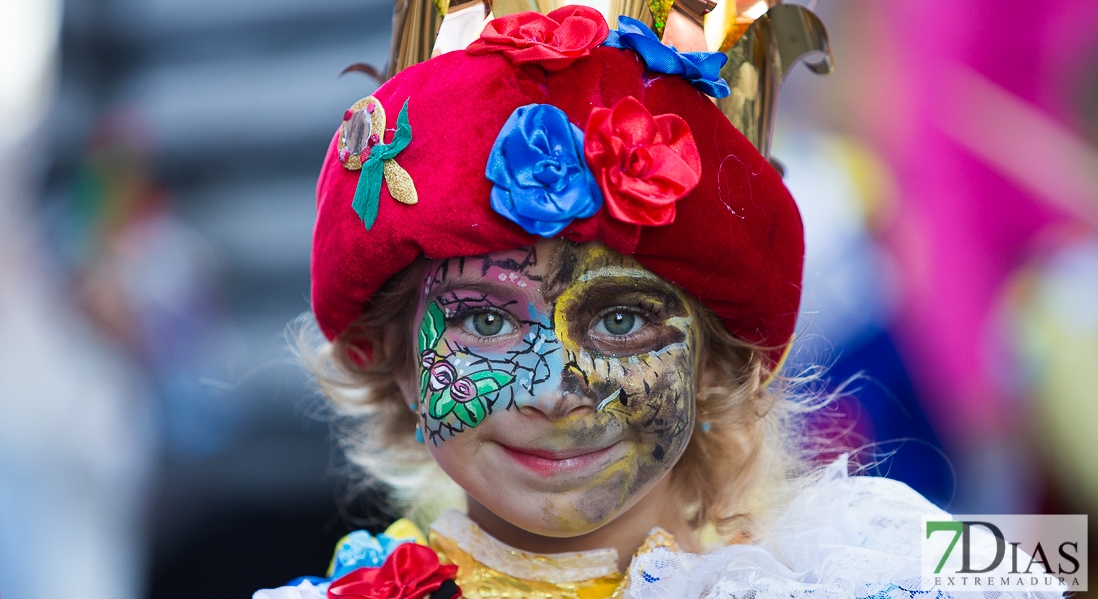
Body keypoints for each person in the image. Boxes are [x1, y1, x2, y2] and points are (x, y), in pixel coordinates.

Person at [255, 6, 1060, 599]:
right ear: (392, 352)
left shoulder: (865, 564)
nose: (552, 390)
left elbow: (1060, 556)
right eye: (486, 319)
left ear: (719, 358)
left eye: (620, 319)